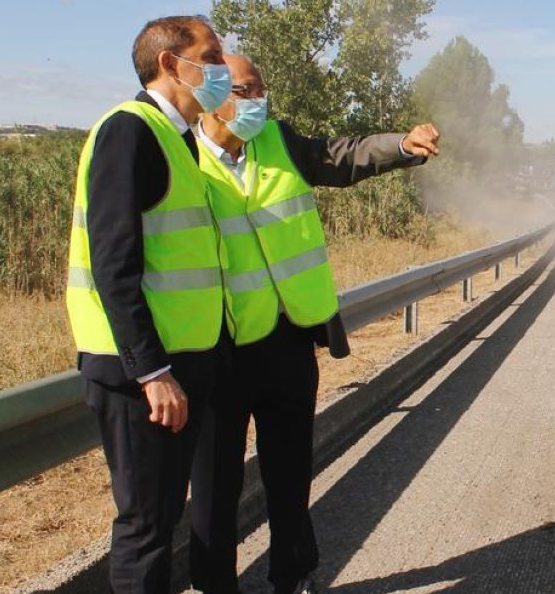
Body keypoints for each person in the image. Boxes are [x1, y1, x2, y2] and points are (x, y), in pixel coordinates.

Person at [189, 54, 441, 594]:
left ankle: (294, 576)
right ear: (209, 94)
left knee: (289, 472)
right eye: (241, 89)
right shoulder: (179, 157)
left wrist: (401, 144)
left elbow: (342, 155)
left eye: (261, 90)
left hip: (286, 339)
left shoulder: (278, 140)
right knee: (215, 484)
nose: (256, 101)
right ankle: (215, 585)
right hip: (219, 347)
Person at [66, 15, 231, 592]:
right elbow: (114, 264)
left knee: (161, 520)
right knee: (144, 526)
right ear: (170, 63)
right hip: (141, 371)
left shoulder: (179, 139)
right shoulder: (129, 129)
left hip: (177, 361)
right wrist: (153, 371)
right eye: (211, 55)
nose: (221, 67)